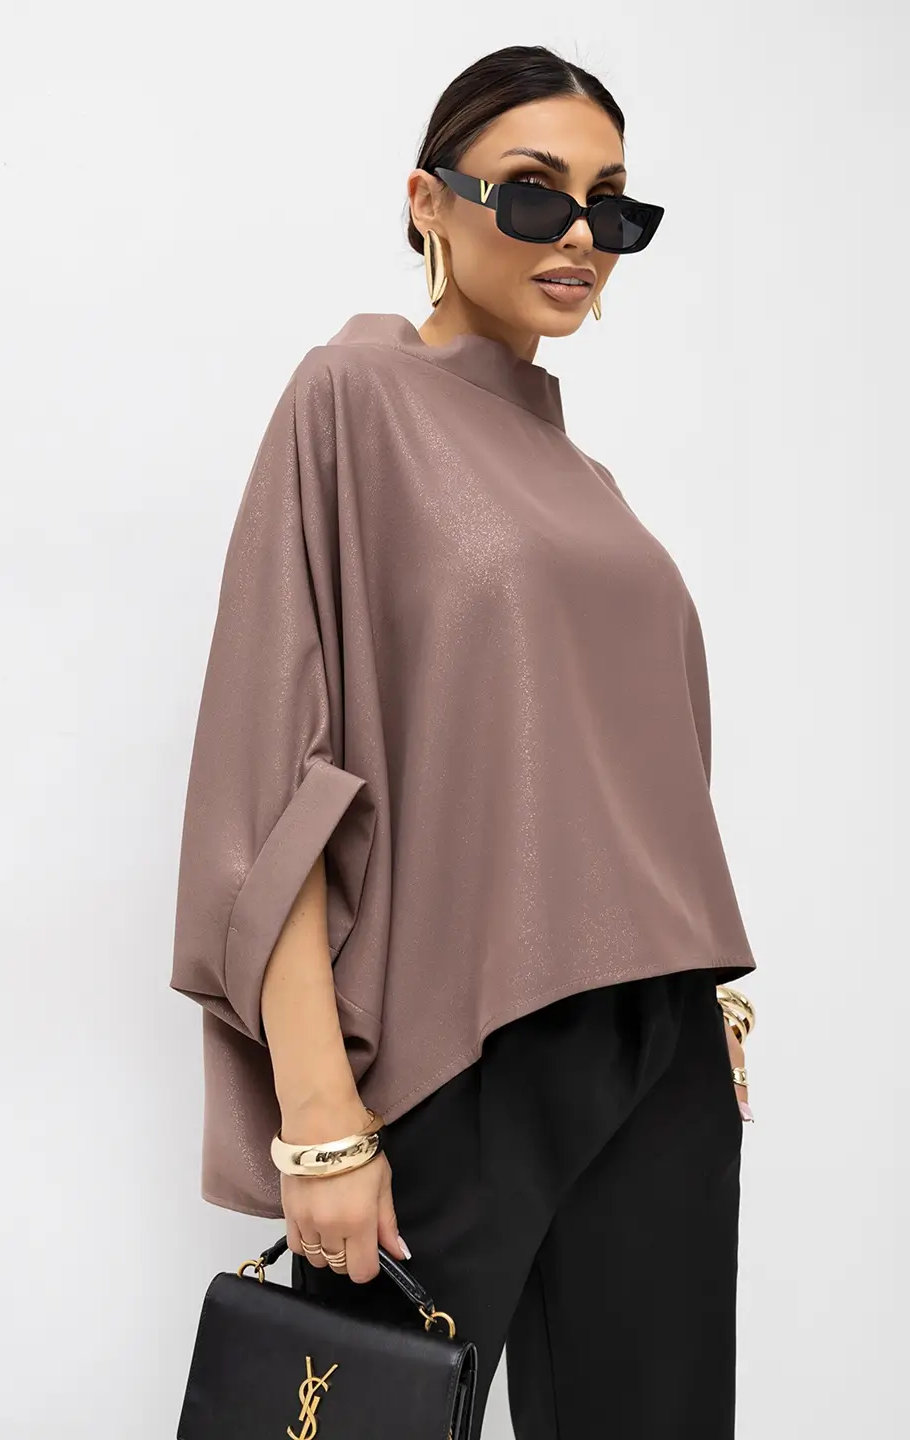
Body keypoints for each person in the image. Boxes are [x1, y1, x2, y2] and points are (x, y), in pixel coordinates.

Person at [170, 42, 758, 1440]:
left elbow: (643, 759)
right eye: (536, 192)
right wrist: (319, 1117)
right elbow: (276, 780)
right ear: (428, 201)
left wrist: (710, 990)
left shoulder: (590, 482)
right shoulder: (351, 399)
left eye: (612, 206)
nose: (581, 237)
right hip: (459, 1044)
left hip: (662, 1043)